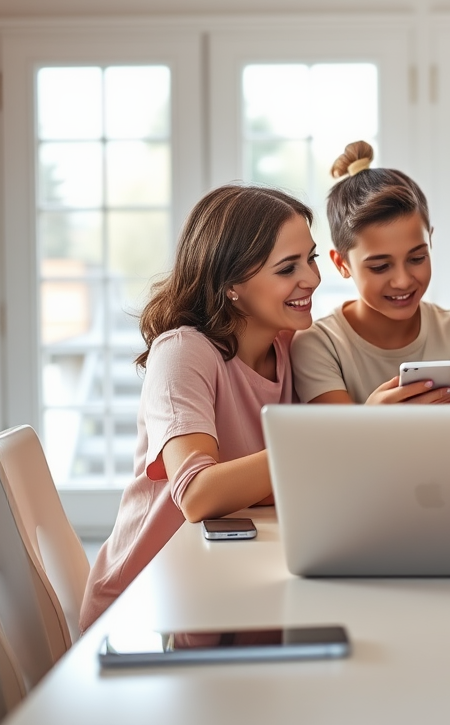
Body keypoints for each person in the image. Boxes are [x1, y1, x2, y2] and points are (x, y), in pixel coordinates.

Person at [80, 184, 322, 630]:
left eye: (312, 258)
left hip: (228, 585)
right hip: (145, 605)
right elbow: (196, 495)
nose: (311, 278)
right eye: (288, 268)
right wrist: (324, 445)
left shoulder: (294, 348)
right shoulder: (183, 352)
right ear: (232, 285)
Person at [291, 141, 450, 404]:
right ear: (342, 264)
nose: (403, 280)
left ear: (430, 241)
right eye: (380, 266)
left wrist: (371, 429)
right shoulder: (319, 345)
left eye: (417, 258)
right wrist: (371, 420)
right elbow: (338, 444)